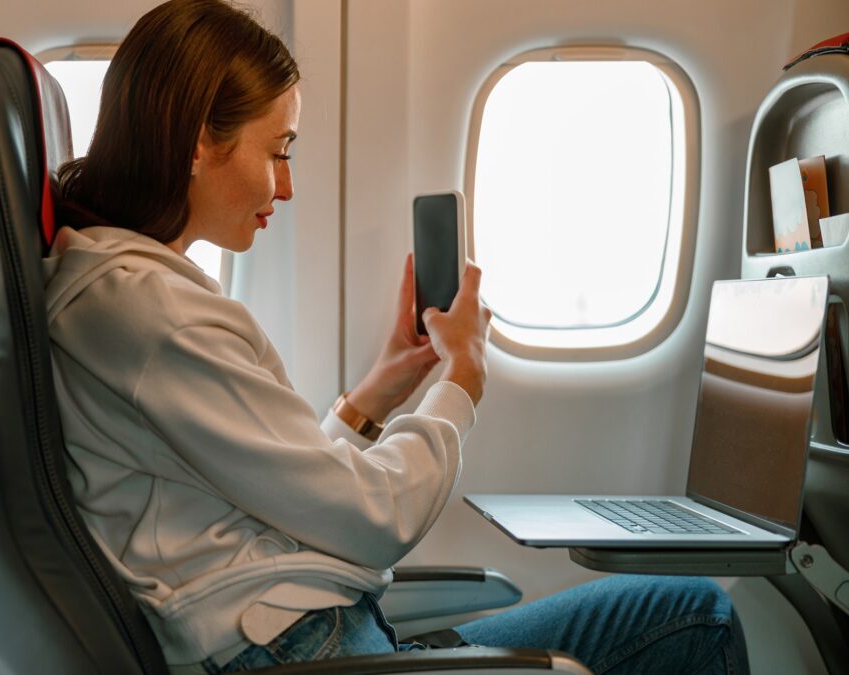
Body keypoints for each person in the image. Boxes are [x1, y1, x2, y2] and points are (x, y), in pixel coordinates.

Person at [43, 1, 750, 673]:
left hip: (309, 637)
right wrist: (461, 382)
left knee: (679, 606)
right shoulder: (150, 311)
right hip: (301, 653)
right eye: (278, 150)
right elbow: (376, 516)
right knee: (696, 613)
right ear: (200, 140)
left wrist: (379, 390)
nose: (285, 187)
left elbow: (277, 486)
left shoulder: (127, 289)